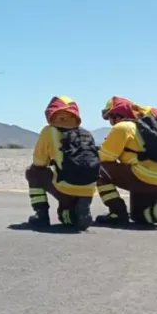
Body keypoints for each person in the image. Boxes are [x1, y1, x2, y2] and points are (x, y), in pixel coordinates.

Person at [96, 96, 157, 229]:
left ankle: (116, 212)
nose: (111, 123)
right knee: (140, 216)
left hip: (144, 176)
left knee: (98, 169)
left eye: (111, 118)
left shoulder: (122, 127)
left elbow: (104, 158)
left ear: (118, 115)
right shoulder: (144, 128)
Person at [24, 95, 99, 231]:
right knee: (67, 218)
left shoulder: (49, 131)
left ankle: (41, 215)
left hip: (66, 185)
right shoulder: (86, 134)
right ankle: (82, 205)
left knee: (32, 172)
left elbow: (39, 162)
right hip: (89, 188)